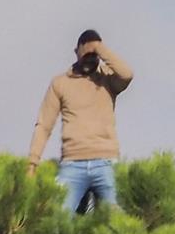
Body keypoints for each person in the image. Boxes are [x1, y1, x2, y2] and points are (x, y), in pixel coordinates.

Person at [26, 29, 135, 214]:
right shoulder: (60, 83)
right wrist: (32, 163)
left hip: (106, 161)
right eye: (86, 54)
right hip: (72, 163)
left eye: (94, 56)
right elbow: (44, 125)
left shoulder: (107, 80)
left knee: (117, 221)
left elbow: (127, 75)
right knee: (58, 219)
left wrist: (99, 48)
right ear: (76, 52)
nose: (89, 60)